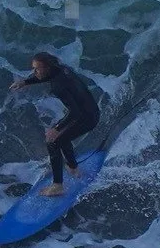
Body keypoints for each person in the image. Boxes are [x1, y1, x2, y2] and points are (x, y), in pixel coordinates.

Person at [9, 51, 100, 192]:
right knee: (62, 138)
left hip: (87, 118)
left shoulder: (58, 87)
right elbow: (45, 76)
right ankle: (73, 167)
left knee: (53, 142)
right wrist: (25, 82)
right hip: (91, 111)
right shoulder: (61, 69)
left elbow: (75, 112)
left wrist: (56, 129)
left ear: (48, 67)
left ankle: (58, 186)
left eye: (37, 68)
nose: (34, 71)